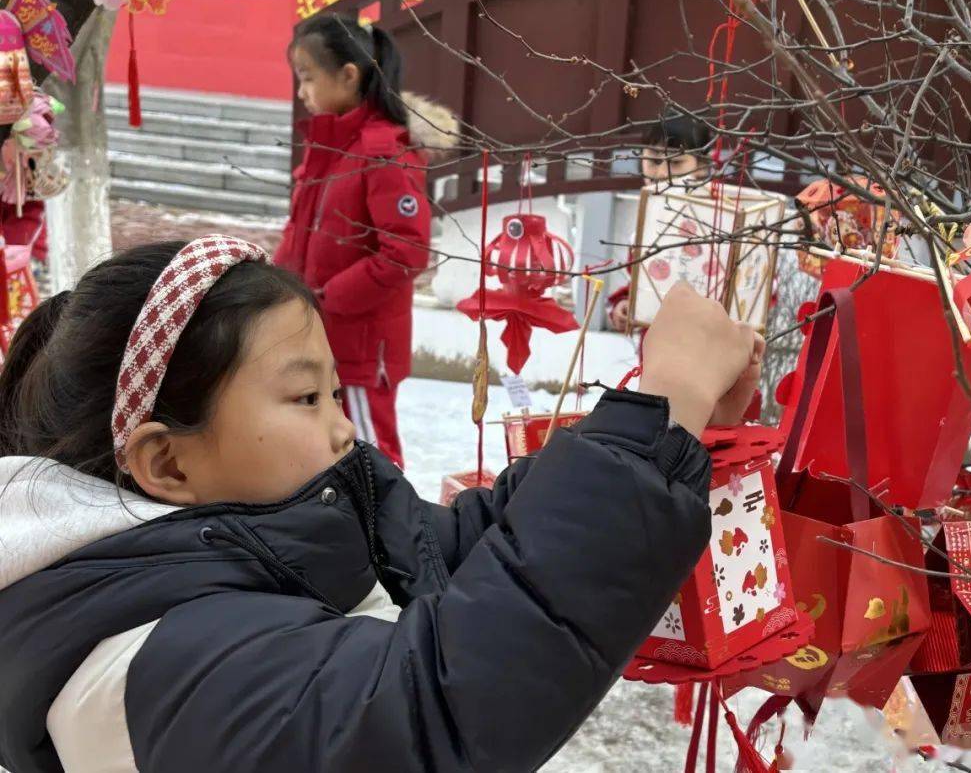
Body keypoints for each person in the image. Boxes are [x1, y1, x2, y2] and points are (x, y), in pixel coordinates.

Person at [0, 236, 763, 773]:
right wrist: (664, 408)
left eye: (336, 391)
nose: (343, 428)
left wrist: (664, 429)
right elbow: (428, 707)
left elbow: (468, 552)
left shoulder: (274, 533)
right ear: (167, 461)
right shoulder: (159, 664)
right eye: (304, 396)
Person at [276, 14, 456, 468]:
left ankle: (388, 538)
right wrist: (273, 287)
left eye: (308, 78)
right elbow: (299, 233)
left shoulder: (382, 153)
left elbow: (406, 250)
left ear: (349, 75)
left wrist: (328, 297)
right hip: (320, 334)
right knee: (324, 455)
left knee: (370, 458)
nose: (302, 93)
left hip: (358, 347)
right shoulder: (332, 147)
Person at [608, 110, 715, 332]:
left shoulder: (720, 216)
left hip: (707, 344)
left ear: (703, 165)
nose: (662, 172)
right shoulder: (648, 210)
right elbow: (645, 282)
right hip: (655, 345)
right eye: (654, 160)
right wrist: (628, 304)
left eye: (675, 162)